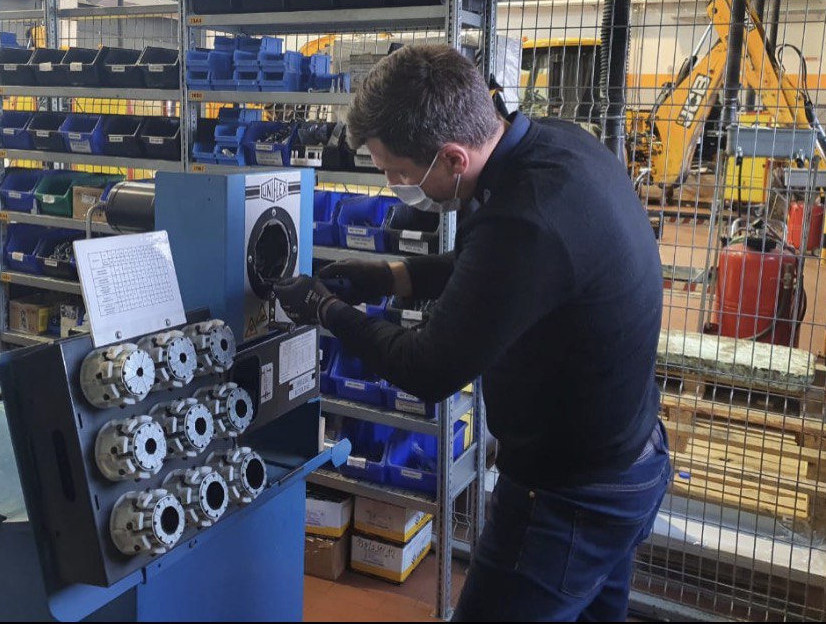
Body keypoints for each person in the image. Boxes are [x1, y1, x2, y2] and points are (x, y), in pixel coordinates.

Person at [274, 44, 669, 622]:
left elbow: (428, 368)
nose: (394, 184)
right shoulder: (555, 147)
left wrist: (326, 310)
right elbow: (489, 271)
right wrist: (387, 276)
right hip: (629, 460)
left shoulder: (526, 218)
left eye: (399, 172)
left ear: (454, 158)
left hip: (571, 496)